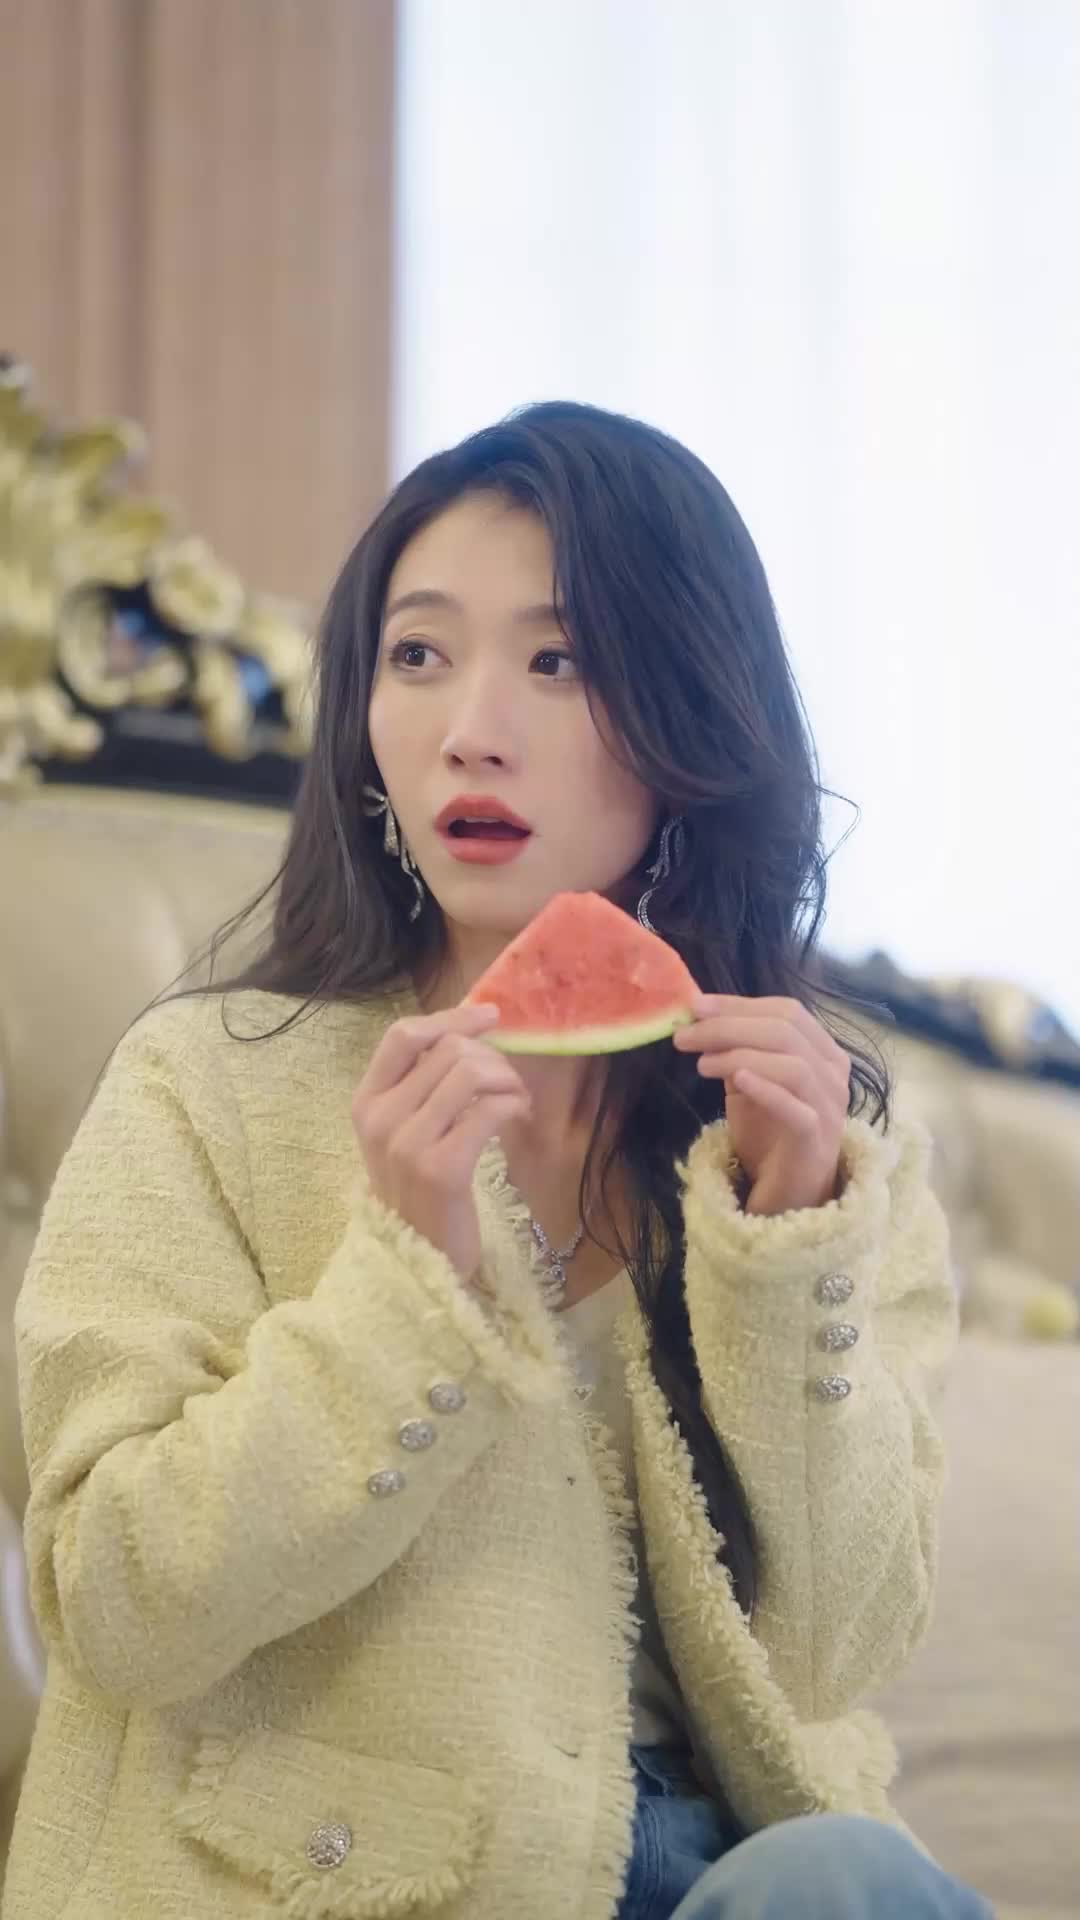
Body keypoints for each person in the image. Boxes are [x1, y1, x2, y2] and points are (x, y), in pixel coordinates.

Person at [5, 403, 992, 1920]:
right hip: (350, 1878)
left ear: (686, 718)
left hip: (734, 1875)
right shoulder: (200, 1086)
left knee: (845, 1875)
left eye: (558, 661)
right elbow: (114, 1604)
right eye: (417, 653)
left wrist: (793, 1251)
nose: (471, 726)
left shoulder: (827, 1139)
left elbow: (837, 1652)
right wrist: (400, 1293)